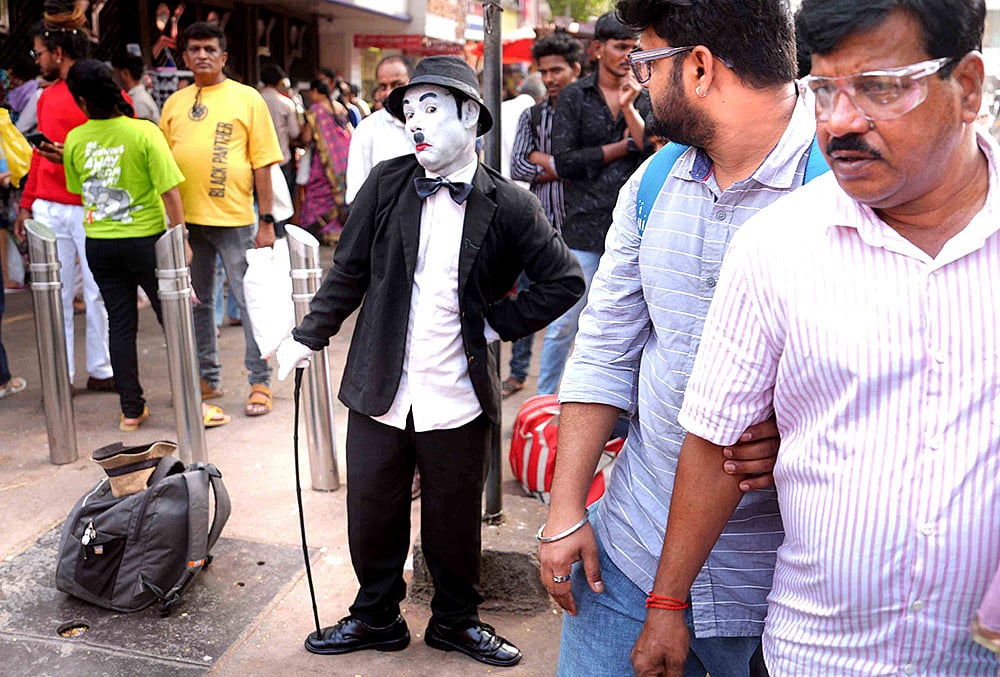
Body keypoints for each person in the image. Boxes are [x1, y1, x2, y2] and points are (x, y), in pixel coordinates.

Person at [634, 0, 1000, 675]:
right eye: (825, 88)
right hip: (813, 655)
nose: (840, 123)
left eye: (880, 88)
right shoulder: (776, 246)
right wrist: (667, 602)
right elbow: (715, 443)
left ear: (968, 87)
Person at [274, 55, 585, 668]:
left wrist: (496, 325)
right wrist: (308, 336)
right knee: (372, 509)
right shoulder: (387, 184)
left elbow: (564, 281)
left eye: (430, 110)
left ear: (470, 117)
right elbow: (348, 273)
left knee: (453, 520)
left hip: (458, 392)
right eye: (408, 114)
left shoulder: (510, 203)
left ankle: (455, 621)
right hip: (381, 384)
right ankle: (376, 617)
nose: (415, 124)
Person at [538, 0, 821, 674]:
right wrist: (567, 509)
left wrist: (802, 431)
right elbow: (605, 347)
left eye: (646, 62)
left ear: (697, 69)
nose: (638, 81)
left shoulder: (842, 193)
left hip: (778, 595)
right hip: (628, 558)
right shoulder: (655, 183)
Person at [63, 59, 230, 431]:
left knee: (120, 326)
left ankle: (131, 411)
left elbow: (78, 191)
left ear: (80, 101)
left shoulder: (74, 139)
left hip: (101, 245)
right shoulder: (143, 133)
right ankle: (193, 404)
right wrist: (181, 239)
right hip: (147, 243)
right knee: (174, 323)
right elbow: (170, 192)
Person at [159, 21, 284, 418]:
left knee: (249, 303)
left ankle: (259, 380)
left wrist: (266, 221)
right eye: (194, 49)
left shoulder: (247, 99)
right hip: (187, 223)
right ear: (184, 56)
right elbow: (162, 163)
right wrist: (169, 224)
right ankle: (207, 377)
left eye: (210, 49)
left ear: (224, 56)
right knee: (198, 303)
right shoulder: (175, 103)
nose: (202, 55)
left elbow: (262, 164)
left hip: (235, 221)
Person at [542, 12, 651, 396]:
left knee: (628, 328)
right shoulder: (574, 96)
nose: (629, 55)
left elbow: (652, 154)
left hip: (636, 231)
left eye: (636, 48)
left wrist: (630, 110)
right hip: (585, 228)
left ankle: (617, 410)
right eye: (621, 47)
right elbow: (565, 162)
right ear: (597, 49)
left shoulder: (647, 93)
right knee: (564, 325)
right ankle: (544, 406)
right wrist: (620, 147)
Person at [14, 6, 115, 393]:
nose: (36, 59)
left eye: (38, 52)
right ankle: (63, 375)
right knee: (56, 294)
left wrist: (70, 155)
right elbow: (39, 157)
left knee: (97, 290)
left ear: (57, 53)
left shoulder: (100, 89)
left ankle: (101, 369)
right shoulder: (44, 97)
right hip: (51, 206)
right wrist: (26, 203)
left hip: (93, 203)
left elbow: (116, 139)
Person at [502, 34, 583, 398]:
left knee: (572, 321)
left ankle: (564, 394)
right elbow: (518, 165)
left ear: (575, 70)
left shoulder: (589, 111)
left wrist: (546, 160)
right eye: (544, 71)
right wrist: (567, 166)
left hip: (582, 229)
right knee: (527, 302)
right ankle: (522, 377)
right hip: (540, 227)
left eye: (558, 70)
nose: (550, 78)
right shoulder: (532, 116)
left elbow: (593, 164)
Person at [345, 55, 413, 205]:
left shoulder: (431, 125)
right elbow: (356, 193)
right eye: (383, 87)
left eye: (397, 84)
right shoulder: (367, 129)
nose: (388, 93)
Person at [297, 79, 351, 245]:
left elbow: (306, 137)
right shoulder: (340, 106)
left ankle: (319, 231)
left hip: (324, 162)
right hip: (343, 157)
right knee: (336, 194)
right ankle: (337, 230)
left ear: (315, 92)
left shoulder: (315, 111)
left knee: (316, 194)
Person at [259, 62, 301, 236]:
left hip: (258, 160)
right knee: (282, 201)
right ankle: (280, 235)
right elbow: (295, 131)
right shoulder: (286, 103)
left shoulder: (254, 99)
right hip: (281, 157)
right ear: (279, 82)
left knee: (259, 200)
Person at [500, 74, 545, 186]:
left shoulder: (499, 108)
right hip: (526, 188)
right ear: (541, 98)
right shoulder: (537, 115)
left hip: (496, 183)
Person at [110, 52, 160, 124]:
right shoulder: (136, 97)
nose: (114, 78)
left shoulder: (139, 102)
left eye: (115, 73)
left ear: (125, 73)